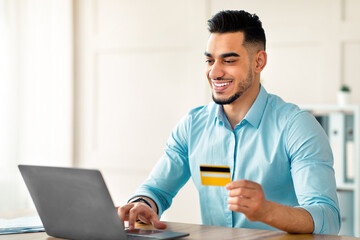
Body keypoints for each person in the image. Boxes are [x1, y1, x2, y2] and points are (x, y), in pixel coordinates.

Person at [117, 10, 341, 235]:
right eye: (209, 60)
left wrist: (266, 211)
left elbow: (327, 217)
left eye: (229, 60)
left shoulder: (297, 127)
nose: (214, 72)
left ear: (259, 61)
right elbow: (156, 189)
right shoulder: (192, 126)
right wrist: (143, 205)